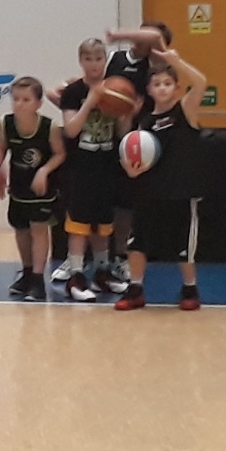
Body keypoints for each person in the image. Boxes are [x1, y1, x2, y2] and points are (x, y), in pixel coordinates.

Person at [118, 43, 211, 310]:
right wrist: (130, 169)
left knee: (184, 248)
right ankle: (135, 289)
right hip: (149, 191)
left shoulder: (185, 110)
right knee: (137, 243)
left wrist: (177, 62)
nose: (162, 88)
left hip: (181, 191)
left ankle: (190, 289)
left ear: (176, 88)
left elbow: (201, 83)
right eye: (157, 84)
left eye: (168, 83)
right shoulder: (144, 122)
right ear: (149, 90)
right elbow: (132, 154)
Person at [53, 37, 128, 297]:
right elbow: (71, 130)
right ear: (80, 61)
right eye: (88, 59)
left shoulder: (115, 89)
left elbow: (122, 132)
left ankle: (102, 271)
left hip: (106, 164)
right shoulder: (73, 92)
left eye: (98, 58)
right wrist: (91, 101)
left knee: (103, 224)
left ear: (105, 60)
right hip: (80, 168)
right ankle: (75, 276)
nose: (94, 64)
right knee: (79, 224)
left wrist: (126, 112)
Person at [0, 73, 64, 302]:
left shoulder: (49, 127)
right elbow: (1, 149)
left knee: (39, 230)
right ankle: (26, 273)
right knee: (21, 230)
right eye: (16, 99)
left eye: (26, 99)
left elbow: (60, 154)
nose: (19, 104)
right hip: (18, 186)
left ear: (38, 103)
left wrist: (44, 171)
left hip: (42, 189)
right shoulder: (5, 124)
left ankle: (37, 279)